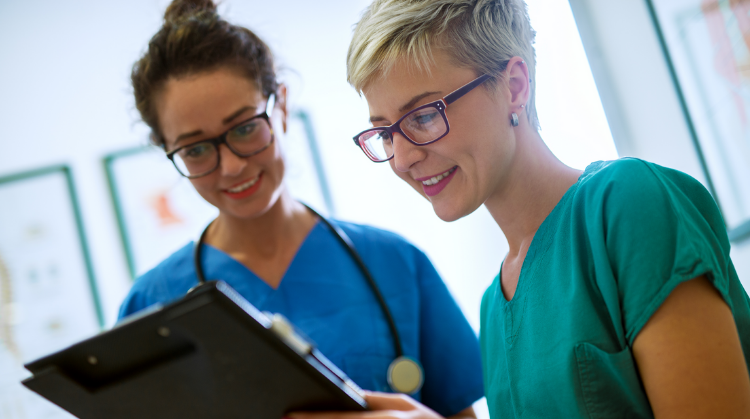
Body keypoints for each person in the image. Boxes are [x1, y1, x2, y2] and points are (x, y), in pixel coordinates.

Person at [291, 0, 750, 418]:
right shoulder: (495, 307)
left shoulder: (627, 204)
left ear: (513, 86)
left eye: (424, 116)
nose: (404, 158)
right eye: (386, 133)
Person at [117, 1, 484, 417]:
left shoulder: (395, 263)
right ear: (168, 151)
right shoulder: (151, 304)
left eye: (244, 127)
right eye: (196, 149)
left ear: (282, 106)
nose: (232, 165)